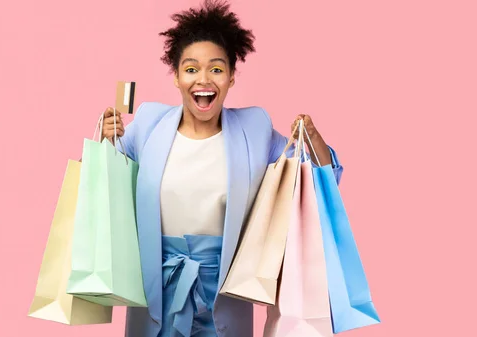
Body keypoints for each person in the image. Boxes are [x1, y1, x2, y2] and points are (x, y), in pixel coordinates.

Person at [99, 1, 343, 336]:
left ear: (231, 77)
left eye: (216, 69)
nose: (203, 79)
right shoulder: (147, 123)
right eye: (191, 69)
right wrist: (104, 143)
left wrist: (313, 140)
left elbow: (315, 184)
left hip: (226, 297)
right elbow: (101, 186)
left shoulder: (255, 128)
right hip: (156, 290)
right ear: (176, 77)